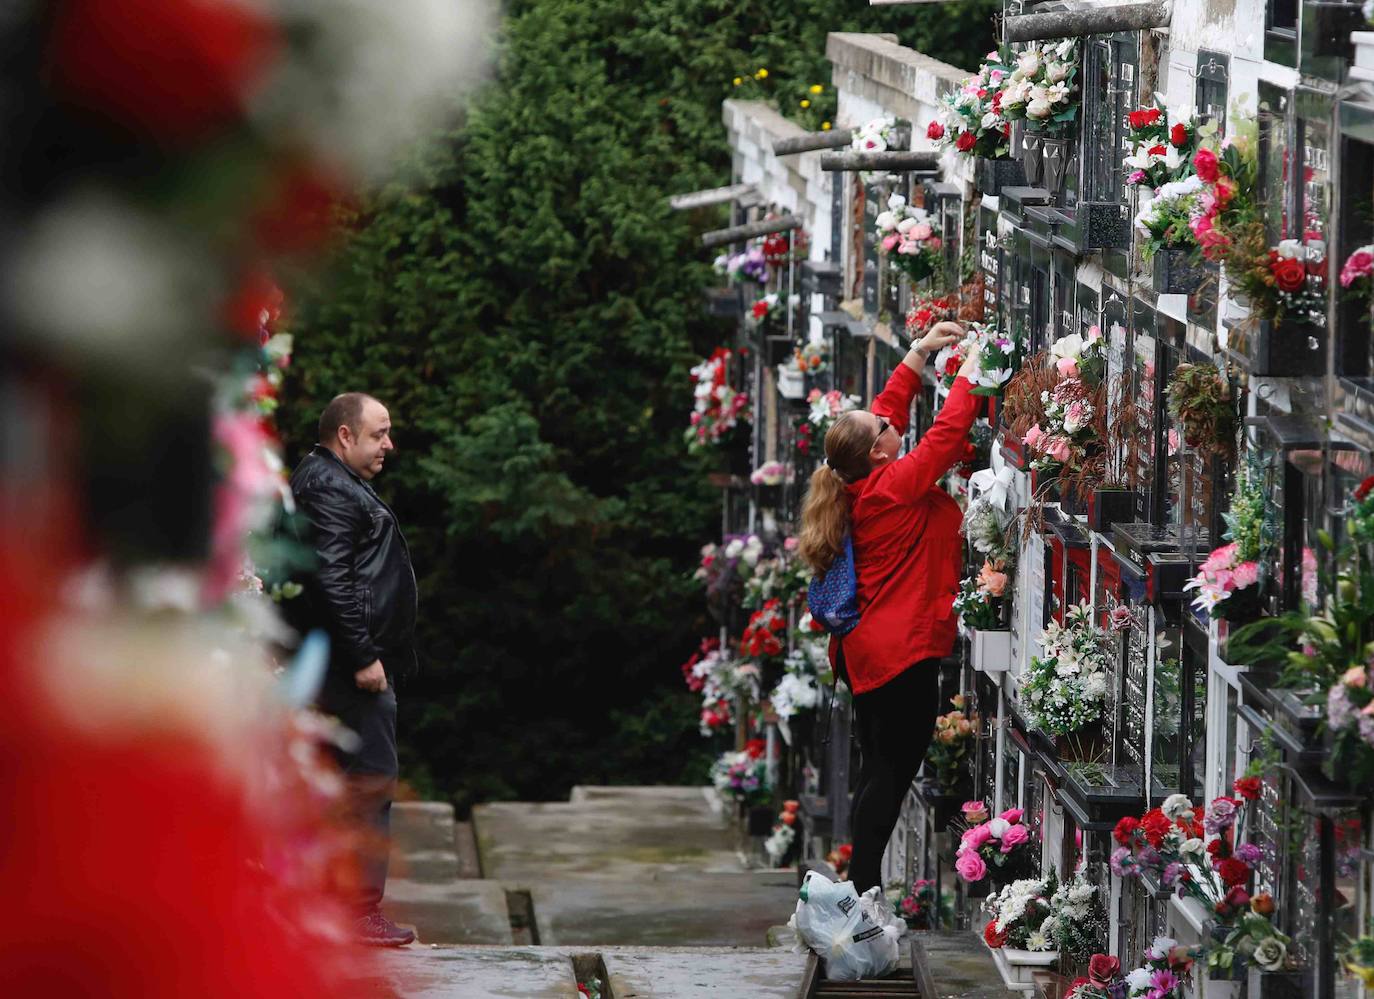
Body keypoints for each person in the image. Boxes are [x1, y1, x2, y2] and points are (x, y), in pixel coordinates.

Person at [797, 322, 983, 896]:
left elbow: (880, 413)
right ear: (879, 449)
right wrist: (976, 367)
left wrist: (919, 354)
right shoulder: (892, 486)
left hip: (869, 654)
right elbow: (947, 436)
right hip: (897, 656)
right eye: (883, 429)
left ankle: (861, 885)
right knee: (891, 771)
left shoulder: (860, 479)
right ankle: (862, 890)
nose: (888, 420)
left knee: (880, 765)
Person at [289, 392, 418, 947]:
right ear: (345, 436)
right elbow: (331, 581)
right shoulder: (327, 487)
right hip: (349, 668)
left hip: (345, 661)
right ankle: (357, 912)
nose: (388, 444)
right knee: (367, 782)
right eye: (378, 433)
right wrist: (365, 657)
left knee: (349, 782)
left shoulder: (333, 479)